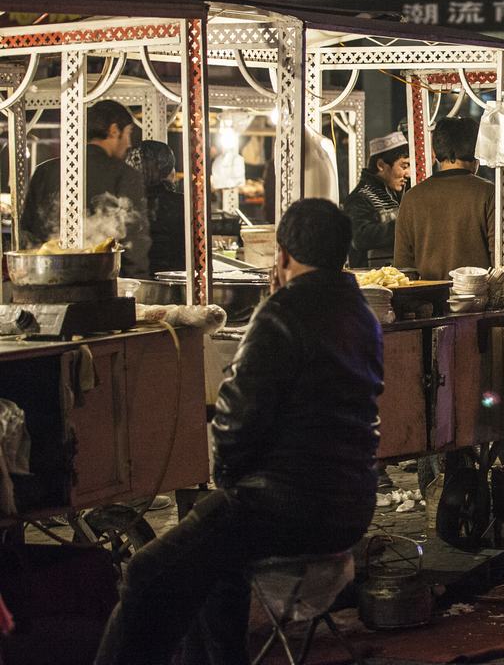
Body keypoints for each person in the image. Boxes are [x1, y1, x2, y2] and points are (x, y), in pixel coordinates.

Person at [93, 198, 383, 665]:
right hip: (352, 501)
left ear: (282, 254)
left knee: (148, 572)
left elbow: (234, 423)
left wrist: (227, 483)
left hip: (283, 507)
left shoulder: (283, 314)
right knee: (212, 569)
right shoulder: (361, 312)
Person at [20, 99, 151, 277]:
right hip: (101, 285)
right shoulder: (125, 175)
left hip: (44, 278)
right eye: (128, 134)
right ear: (114, 131)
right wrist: (138, 285)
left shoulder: (44, 171)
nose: (129, 144)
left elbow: (28, 232)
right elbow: (134, 241)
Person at [394, 116, 494, 280]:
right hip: (479, 300)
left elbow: (403, 267)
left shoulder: (412, 197)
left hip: (428, 301)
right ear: (478, 150)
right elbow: (503, 262)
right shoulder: (489, 193)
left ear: (434, 152)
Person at [345, 128, 410, 268]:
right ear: (381, 165)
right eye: (404, 166)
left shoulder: (395, 193)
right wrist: (407, 227)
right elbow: (360, 237)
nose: (408, 174)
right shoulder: (360, 198)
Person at [125, 140, 185, 275]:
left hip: (129, 284)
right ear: (169, 171)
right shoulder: (183, 204)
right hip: (176, 284)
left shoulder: (121, 204)